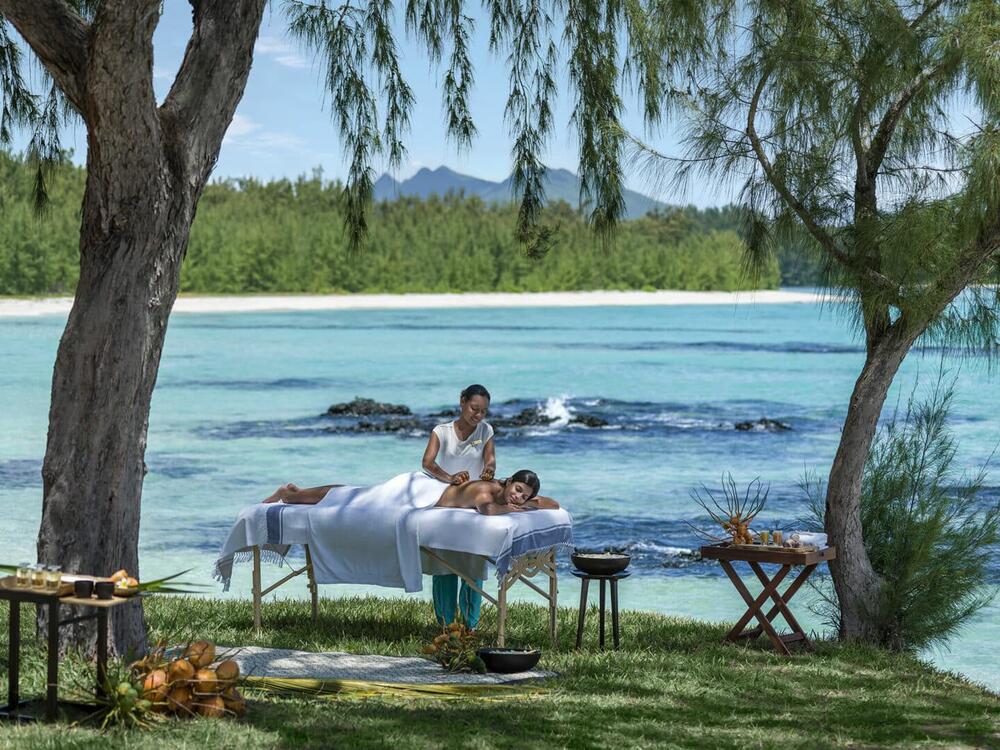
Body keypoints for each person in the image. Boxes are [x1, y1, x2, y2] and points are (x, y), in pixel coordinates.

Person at [420, 384, 496, 629]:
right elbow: (427, 463)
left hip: (472, 507)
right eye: (474, 408)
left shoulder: (485, 430)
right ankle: (446, 624)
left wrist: (489, 470)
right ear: (462, 402)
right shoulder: (441, 431)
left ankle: (470, 625)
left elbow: (490, 459)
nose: (478, 415)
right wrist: (449, 477)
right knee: (444, 563)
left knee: (473, 561)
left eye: (483, 411)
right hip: (445, 502)